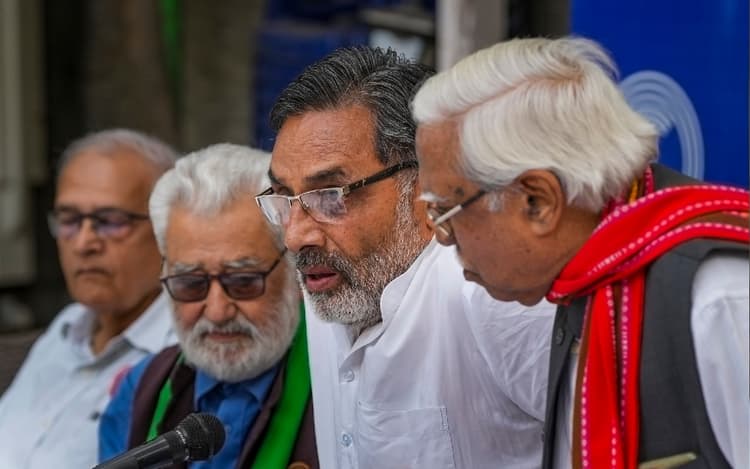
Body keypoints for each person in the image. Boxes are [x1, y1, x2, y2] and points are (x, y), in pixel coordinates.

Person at [412, 36, 749, 469]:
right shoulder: (585, 281)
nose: (442, 236)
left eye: (446, 210)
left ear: (538, 201)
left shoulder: (720, 298)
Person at [255, 46, 555, 469]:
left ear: (422, 186)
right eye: (285, 197)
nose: (296, 236)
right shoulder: (332, 281)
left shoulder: (491, 297)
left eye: (330, 197)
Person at [99, 144, 318, 469]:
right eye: (191, 284)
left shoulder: (342, 381)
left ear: (295, 272)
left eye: (243, 282)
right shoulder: (140, 391)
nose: (217, 312)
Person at [0, 129, 179, 469]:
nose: (83, 243)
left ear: (170, 228)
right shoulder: (68, 326)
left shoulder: (180, 356)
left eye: (109, 221)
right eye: (69, 220)